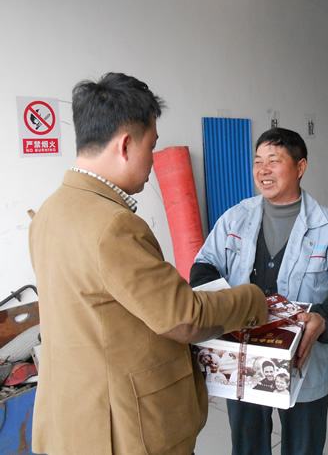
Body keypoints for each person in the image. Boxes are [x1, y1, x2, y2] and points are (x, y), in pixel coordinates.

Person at [29, 72, 269, 455]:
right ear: (126, 145)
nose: (154, 161)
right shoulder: (113, 225)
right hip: (122, 427)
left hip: (71, 418)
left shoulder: (50, 211)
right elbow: (183, 317)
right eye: (152, 146)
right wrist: (253, 299)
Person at [190, 127, 328, 455]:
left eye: (274, 161)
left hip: (304, 359)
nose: (263, 170)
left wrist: (325, 318)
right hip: (244, 357)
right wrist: (218, 313)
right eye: (258, 161)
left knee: (303, 447)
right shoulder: (235, 218)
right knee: (247, 445)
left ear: (300, 167)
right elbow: (205, 266)